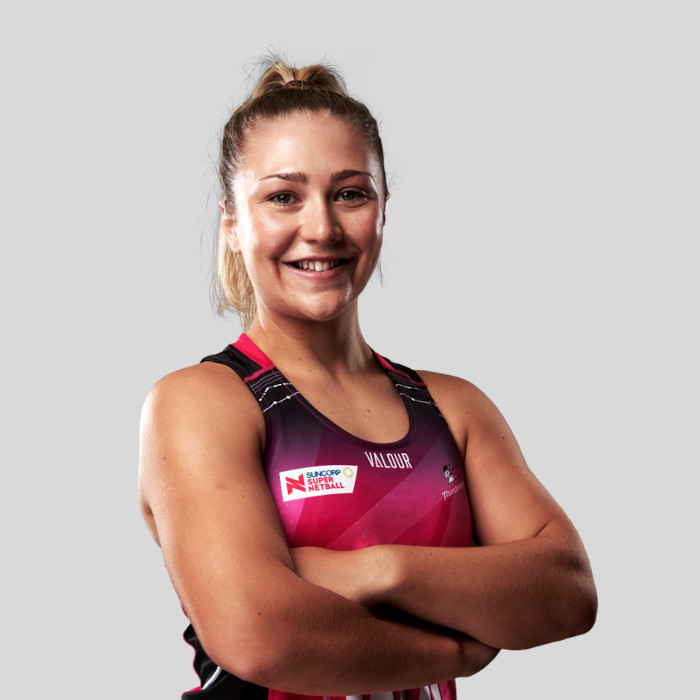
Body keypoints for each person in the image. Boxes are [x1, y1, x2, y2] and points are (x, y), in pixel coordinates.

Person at [138, 60, 597, 700]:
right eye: (283, 197)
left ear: (383, 211)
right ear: (233, 223)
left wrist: (378, 571)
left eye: (350, 194)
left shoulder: (452, 407)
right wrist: (458, 651)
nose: (321, 228)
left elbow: (567, 590)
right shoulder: (202, 403)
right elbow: (260, 637)